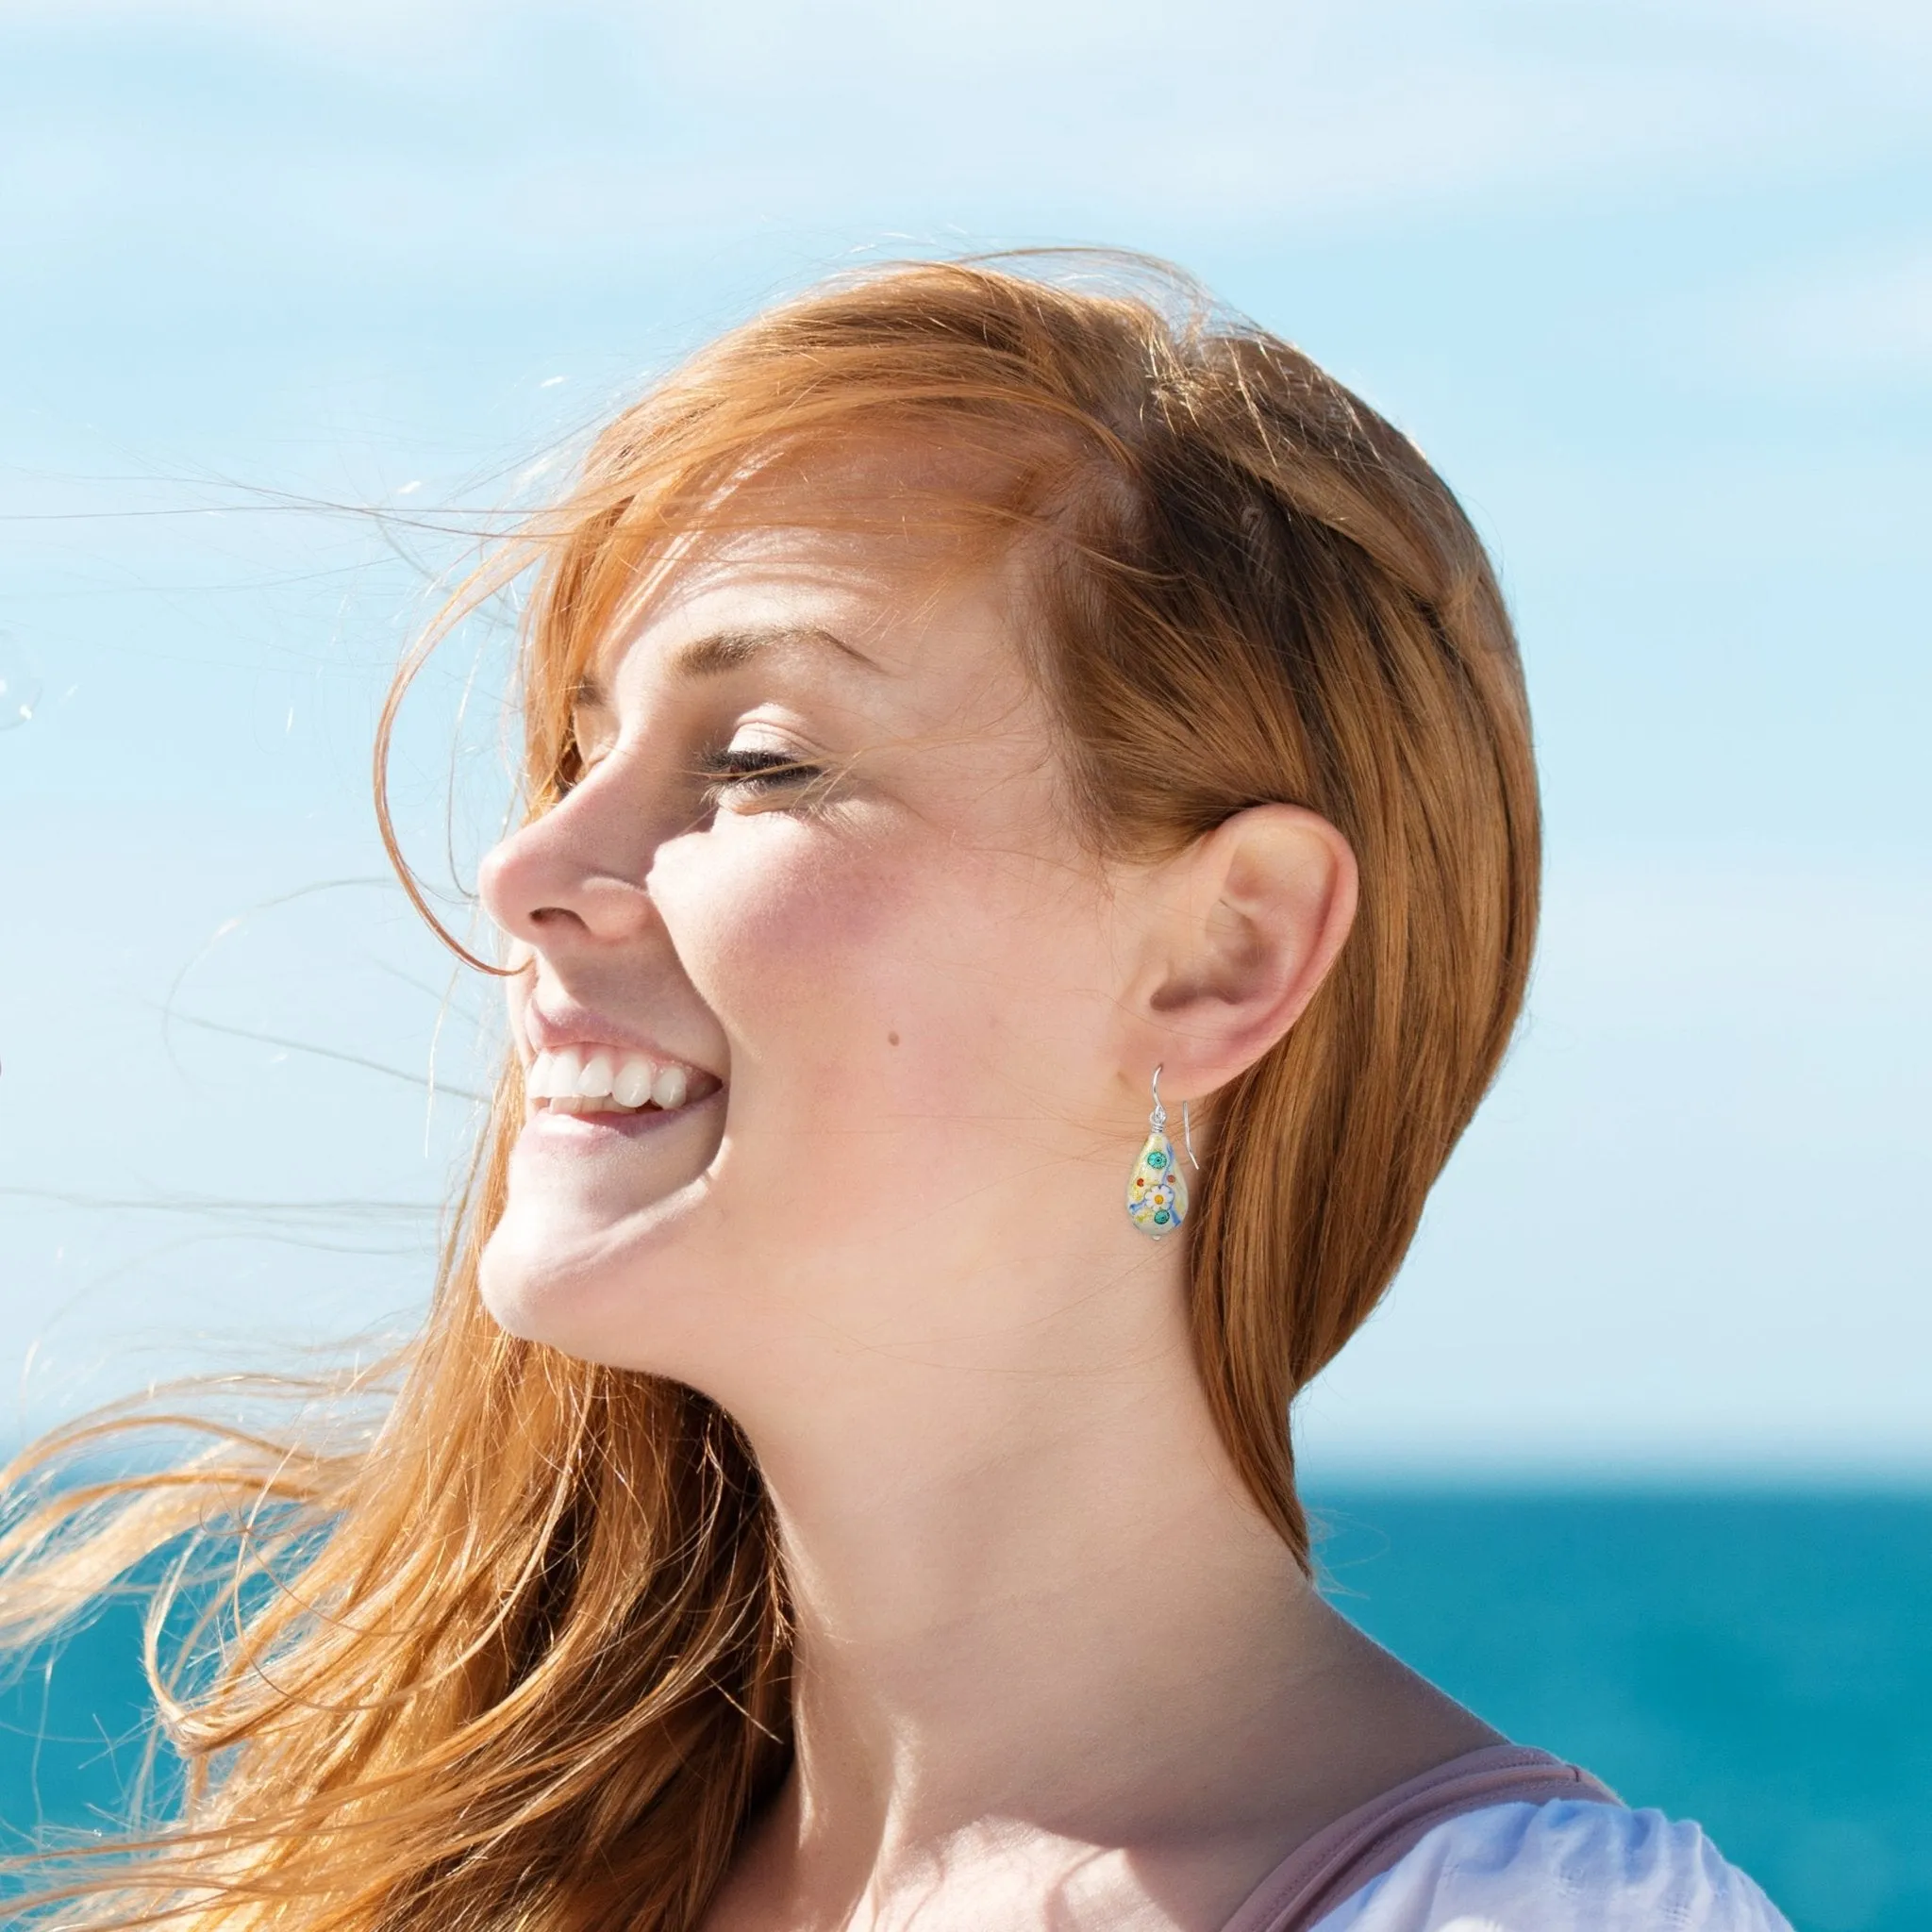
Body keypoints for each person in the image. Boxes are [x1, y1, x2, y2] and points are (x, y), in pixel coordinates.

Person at [0, 255, 1790, 1931]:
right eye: (572, 747)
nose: (526, 861)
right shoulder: (469, 1871)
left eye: (759, 759)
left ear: (1222, 956)